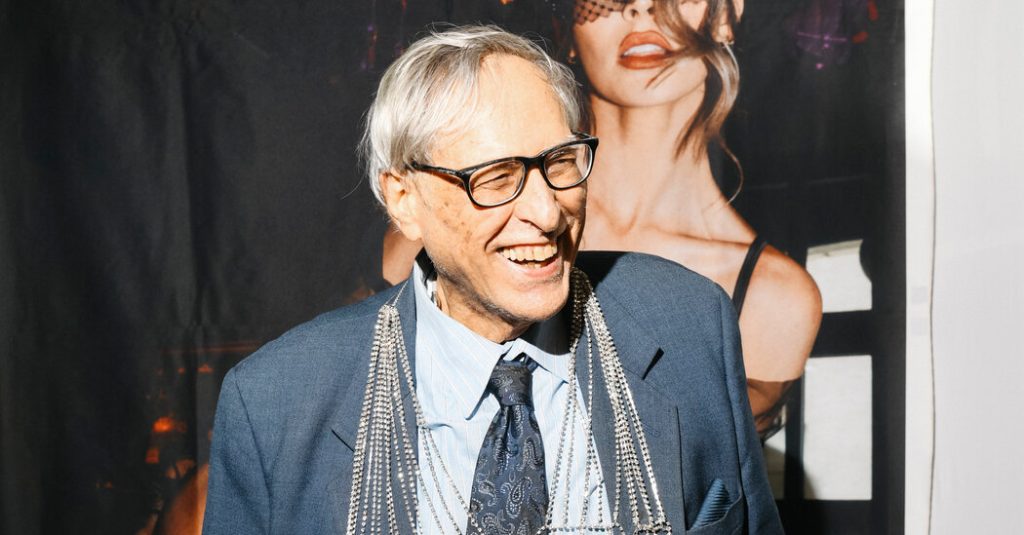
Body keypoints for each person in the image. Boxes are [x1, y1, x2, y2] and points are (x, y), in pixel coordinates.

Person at [204, 25, 782, 534]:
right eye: (497, 177)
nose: (548, 212)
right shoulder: (276, 404)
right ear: (404, 200)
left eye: (559, 163)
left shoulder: (689, 326)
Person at [383, 0, 822, 440]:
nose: (643, 8)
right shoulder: (433, 229)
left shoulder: (775, 297)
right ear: (570, 28)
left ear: (726, 14)